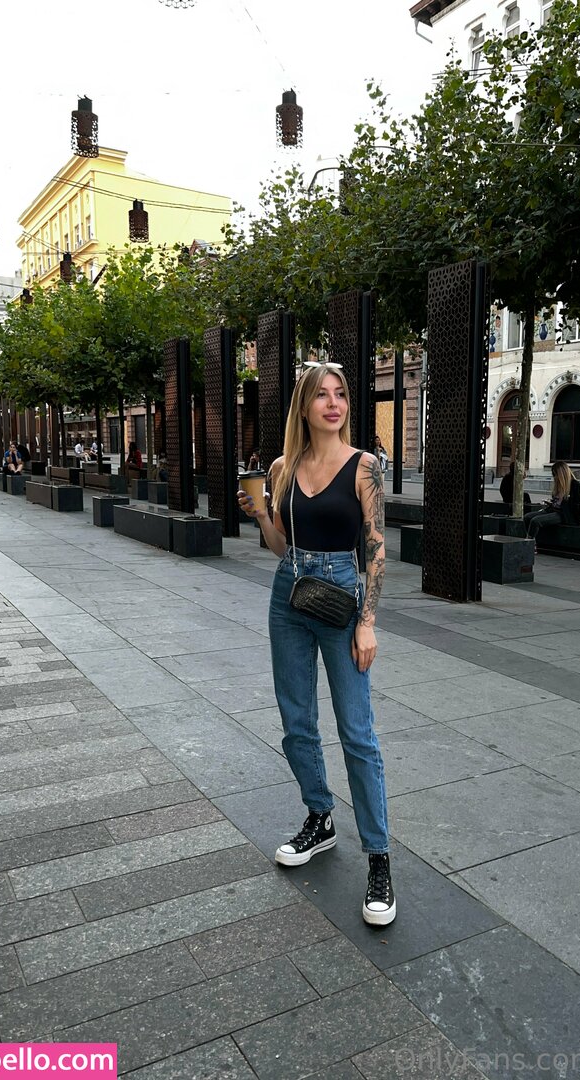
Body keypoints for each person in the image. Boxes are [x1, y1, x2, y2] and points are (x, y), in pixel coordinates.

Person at [237, 363, 396, 927]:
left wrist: (367, 622)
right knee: (296, 721)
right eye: (322, 395)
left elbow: (375, 548)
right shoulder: (283, 467)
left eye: (341, 395)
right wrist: (262, 514)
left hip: (342, 598)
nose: (334, 403)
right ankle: (320, 816)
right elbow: (282, 548)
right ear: (304, 406)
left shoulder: (364, 466)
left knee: (357, 732)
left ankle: (378, 857)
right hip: (290, 594)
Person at [523, 460, 580, 547]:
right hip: (552, 509)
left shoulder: (574, 484)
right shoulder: (558, 484)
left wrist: (579, 520)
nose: (555, 477)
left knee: (535, 521)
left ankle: (529, 543)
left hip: (563, 514)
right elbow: (557, 501)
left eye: (555, 474)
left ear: (561, 473)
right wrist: (550, 503)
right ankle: (533, 539)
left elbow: (576, 505)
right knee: (527, 517)